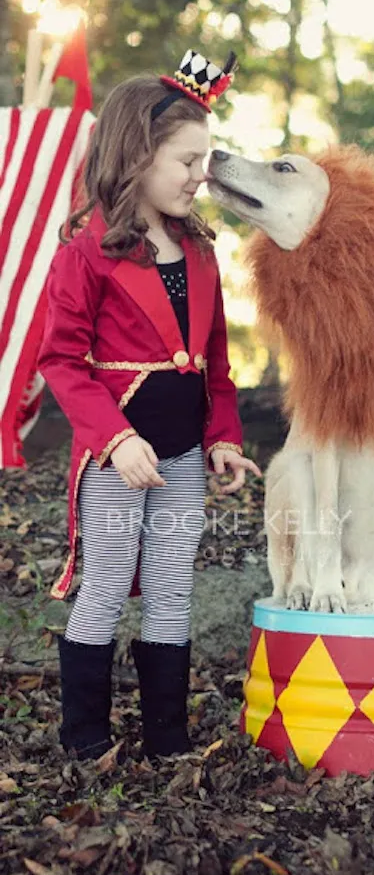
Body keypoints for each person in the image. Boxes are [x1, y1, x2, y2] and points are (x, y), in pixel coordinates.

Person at [37, 49, 261, 761]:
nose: (203, 176)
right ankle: (86, 740)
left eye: (206, 160)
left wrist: (223, 435)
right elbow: (62, 363)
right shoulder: (85, 253)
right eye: (188, 161)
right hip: (119, 456)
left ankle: (167, 738)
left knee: (170, 591)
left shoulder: (198, 248)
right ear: (138, 154)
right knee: (104, 587)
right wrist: (113, 438)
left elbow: (215, 363)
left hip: (185, 452)